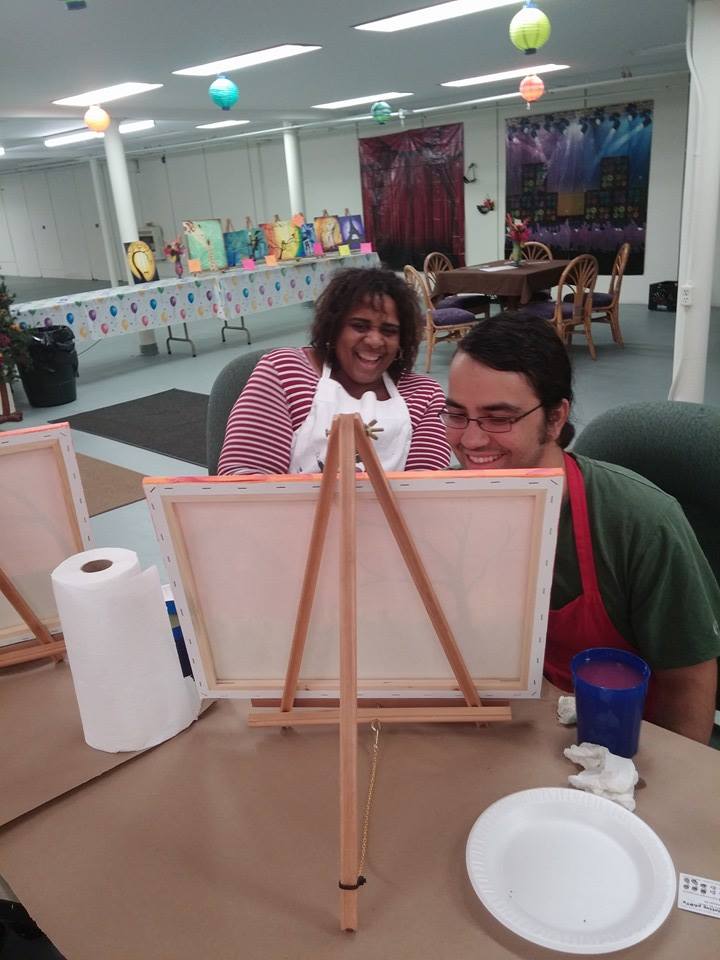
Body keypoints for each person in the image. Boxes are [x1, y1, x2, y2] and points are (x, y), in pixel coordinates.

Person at [442, 312, 720, 743]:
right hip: (500, 734)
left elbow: (688, 681)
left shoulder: (640, 524)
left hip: (617, 746)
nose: (471, 440)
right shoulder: (445, 507)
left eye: (499, 418)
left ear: (555, 418)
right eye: (457, 414)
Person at [218, 267, 450, 475]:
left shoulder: (424, 394)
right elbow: (244, 479)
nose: (374, 341)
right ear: (333, 327)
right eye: (359, 326)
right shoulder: (283, 371)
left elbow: (428, 491)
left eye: (389, 331)